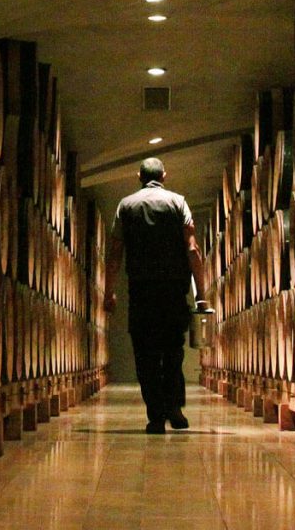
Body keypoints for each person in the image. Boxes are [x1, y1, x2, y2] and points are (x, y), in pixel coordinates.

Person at [104, 157, 207, 434]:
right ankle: (174, 408)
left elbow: (115, 254)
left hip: (141, 291)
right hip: (174, 290)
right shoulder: (178, 203)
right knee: (173, 351)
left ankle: (156, 417)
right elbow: (192, 249)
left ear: (139, 176)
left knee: (146, 355)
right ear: (164, 175)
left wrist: (109, 292)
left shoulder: (125, 206)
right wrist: (201, 293)